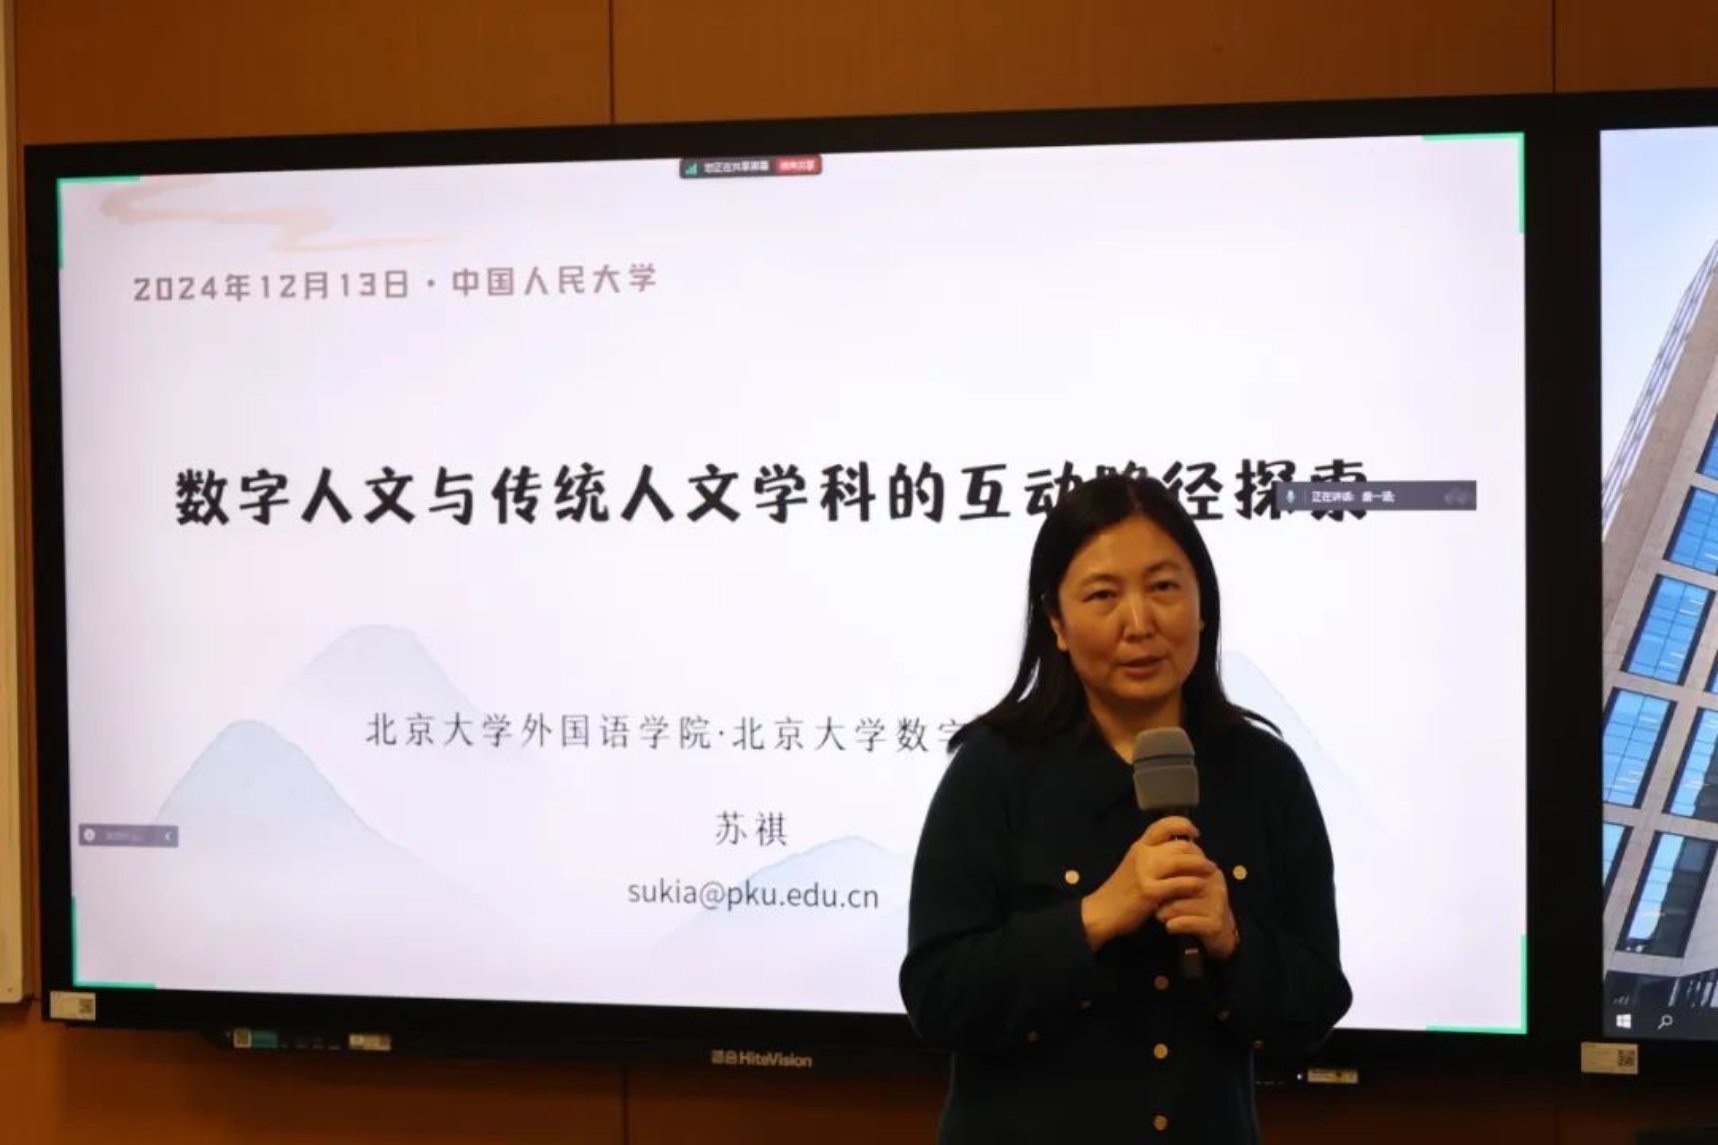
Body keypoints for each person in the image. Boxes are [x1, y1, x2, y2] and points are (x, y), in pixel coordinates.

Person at [899, 474, 1352, 1143]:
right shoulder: (993, 770)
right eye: (1103, 595)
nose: (1139, 624)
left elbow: (1313, 1007)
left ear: (1202, 606)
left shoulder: (1265, 774)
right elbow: (939, 997)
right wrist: (1095, 916)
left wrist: (1233, 941)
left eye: (1164, 587)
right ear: (1056, 622)